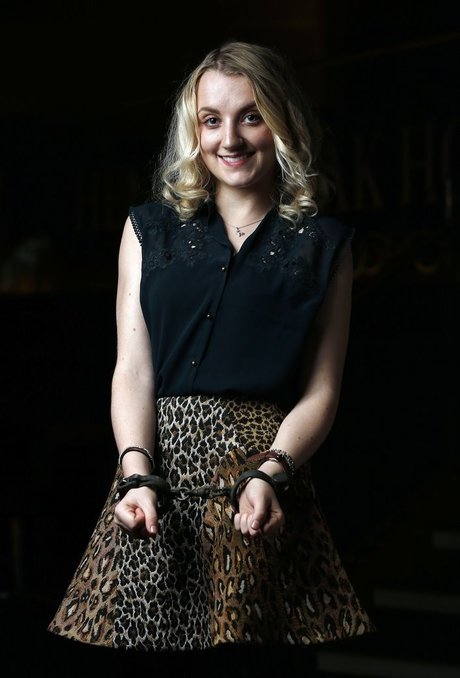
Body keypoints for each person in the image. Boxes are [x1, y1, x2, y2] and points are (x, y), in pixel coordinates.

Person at [48, 40, 374, 676]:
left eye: (251, 116)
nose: (231, 138)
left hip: (261, 477)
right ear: (193, 131)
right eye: (211, 119)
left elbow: (323, 390)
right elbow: (133, 369)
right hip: (157, 479)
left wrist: (272, 471)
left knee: (255, 659)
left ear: (281, 122)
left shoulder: (324, 245)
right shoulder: (147, 230)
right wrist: (135, 472)